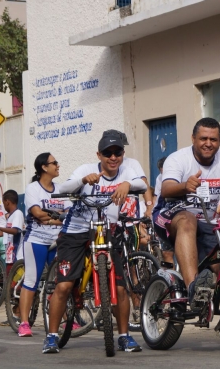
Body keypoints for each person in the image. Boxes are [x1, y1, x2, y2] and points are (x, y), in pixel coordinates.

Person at [46, 130, 146, 354]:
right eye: (108, 153)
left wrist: (127, 185)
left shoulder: (127, 171)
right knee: (64, 285)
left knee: (120, 288)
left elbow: (144, 185)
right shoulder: (86, 169)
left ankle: (124, 336)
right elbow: (62, 189)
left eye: (117, 152)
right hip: (76, 232)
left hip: (106, 232)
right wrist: (83, 181)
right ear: (99, 154)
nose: (113, 157)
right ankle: (52, 337)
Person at [153, 118, 220, 321]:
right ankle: (193, 289)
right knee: (188, 220)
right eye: (203, 138)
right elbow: (167, 189)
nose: (208, 143)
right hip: (171, 216)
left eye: (213, 139)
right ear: (193, 138)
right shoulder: (178, 159)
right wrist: (185, 185)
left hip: (207, 222)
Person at [18, 152, 68, 339]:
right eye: (54, 163)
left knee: (61, 282)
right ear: (44, 167)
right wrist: (58, 217)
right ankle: (24, 323)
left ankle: (65, 318)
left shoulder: (62, 189)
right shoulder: (33, 188)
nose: (58, 165)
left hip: (57, 241)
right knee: (32, 281)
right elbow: (37, 214)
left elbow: (69, 214)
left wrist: (52, 219)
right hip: (36, 239)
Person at [0, 190, 25, 273]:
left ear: (7, 202)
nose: (4, 206)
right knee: (10, 281)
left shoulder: (18, 214)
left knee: (16, 283)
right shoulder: (10, 215)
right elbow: (4, 232)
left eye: (3, 203)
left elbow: (15, 230)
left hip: (17, 256)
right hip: (10, 257)